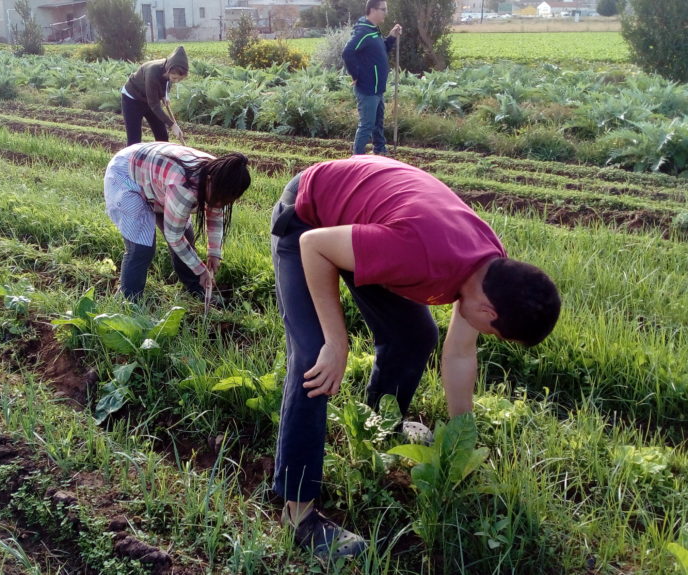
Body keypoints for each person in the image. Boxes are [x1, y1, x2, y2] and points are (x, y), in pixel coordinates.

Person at [270, 155, 561, 559]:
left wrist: (461, 440)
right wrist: (337, 343)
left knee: (415, 334)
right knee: (313, 360)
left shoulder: (489, 270)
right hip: (309, 218)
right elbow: (314, 246)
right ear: (489, 313)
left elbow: (460, 352)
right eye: (495, 331)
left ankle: (377, 424)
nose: (485, 333)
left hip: (369, 224)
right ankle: (298, 515)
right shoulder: (420, 255)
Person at [104, 142, 251, 301]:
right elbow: (174, 237)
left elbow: (215, 210)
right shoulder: (184, 187)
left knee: (186, 238)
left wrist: (214, 253)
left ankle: (195, 288)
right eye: (218, 199)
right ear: (209, 181)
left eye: (226, 201)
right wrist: (201, 270)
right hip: (126, 176)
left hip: (155, 176)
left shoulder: (223, 173)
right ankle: (128, 300)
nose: (219, 205)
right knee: (142, 248)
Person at [342, 0, 402, 157]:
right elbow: (347, 52)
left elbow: (382, 50)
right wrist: (356, 75)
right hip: (367, 88)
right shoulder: (363, 32)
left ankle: (380, 151)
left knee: (377, 124)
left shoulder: (374, 31)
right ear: (373, 10)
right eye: (383, 9)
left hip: (377, 88)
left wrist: (391, 37)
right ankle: (357, 159)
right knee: (367, 125)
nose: (385, 13)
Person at [121, 45, 189, 146]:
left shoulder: (168, 69)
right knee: (134, 141)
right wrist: (173, 125)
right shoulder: (152, 72)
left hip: (150, 98)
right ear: (168, 70)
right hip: (132, 99)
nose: (176, 81)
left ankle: (160, 160)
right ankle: (130, 161)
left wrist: (165, 95)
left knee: (162, 136)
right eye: (175, 78)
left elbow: (167, 81)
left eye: (180, 79)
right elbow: (154, 105)